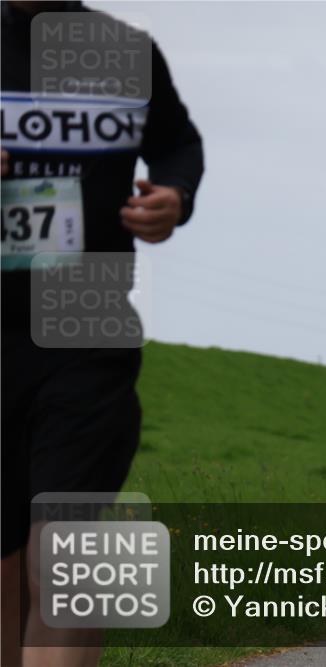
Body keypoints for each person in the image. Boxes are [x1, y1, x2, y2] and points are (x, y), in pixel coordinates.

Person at [1, 3, 204, 665]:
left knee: (65, 554)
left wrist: (174, 193)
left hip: (86, 320)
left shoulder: (123, 49)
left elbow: (178, 141)